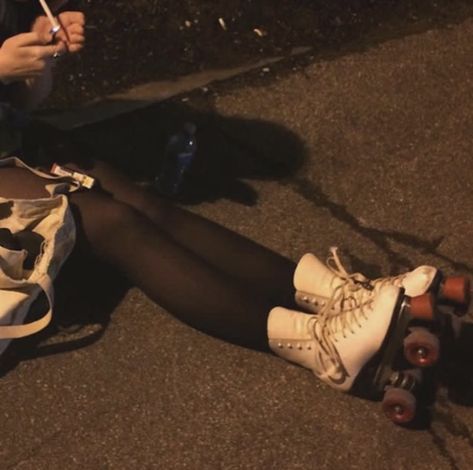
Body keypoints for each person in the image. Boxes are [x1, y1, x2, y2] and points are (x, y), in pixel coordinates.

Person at [0, 0, 469, 423]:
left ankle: (338, 298)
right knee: (110, 222)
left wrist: (40, 56)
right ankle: (322, 345)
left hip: (15, 141)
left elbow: (26, 101)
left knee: (142, 204)